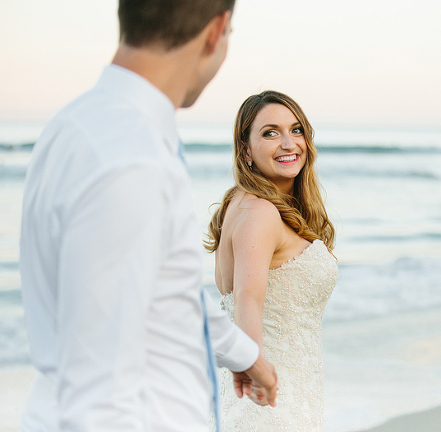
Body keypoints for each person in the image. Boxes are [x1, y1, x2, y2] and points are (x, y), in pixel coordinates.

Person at [19, 0, 279, 430]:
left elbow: (165, 287)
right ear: (216, 32)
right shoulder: (131, 160)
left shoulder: (76, 124)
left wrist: (246, 355)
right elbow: (100, 392)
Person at [206, 91, 338, 430]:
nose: (288, 143)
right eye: (270, 132)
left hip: (287, 395)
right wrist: (253, 369)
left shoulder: (242, 203)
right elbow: (247, 298)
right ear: (245, 149)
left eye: (296, 130)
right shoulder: (259, 212)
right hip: (271, 404)